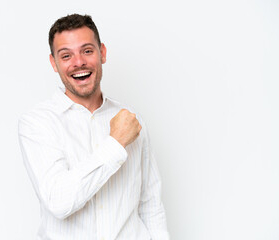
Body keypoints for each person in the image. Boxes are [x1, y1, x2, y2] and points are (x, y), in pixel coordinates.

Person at [18, 14, 169, 240]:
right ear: (54, 63)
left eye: (87, 51)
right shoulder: (38, 123)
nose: (78, 62)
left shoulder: (132, 121)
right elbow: (59, 201)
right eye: (66, 55)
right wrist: (116, 143)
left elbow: (151, 205)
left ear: (102, 53)